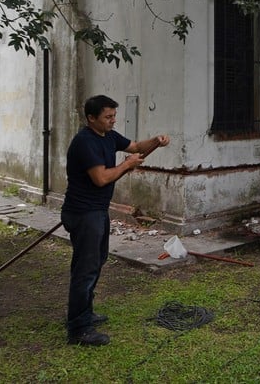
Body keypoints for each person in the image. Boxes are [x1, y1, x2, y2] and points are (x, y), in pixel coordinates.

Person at [62, 95, 170, 346]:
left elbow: (135, 147)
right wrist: (127, 165)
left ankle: (85, 312)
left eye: (114, 116)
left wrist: (156, 141)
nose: (113, 121)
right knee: (85, 269)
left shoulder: (109, 136)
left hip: (97, 211)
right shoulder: (84, 142)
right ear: (91, 118)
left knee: (96, 262)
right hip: (82, 213)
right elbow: (101, 178)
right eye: (107, 117)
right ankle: (78, 329)